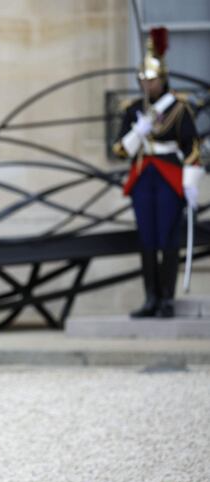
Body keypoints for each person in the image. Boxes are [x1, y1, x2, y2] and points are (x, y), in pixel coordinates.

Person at [112, 26, 202, 318]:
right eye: (143, 80)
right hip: (143, 176)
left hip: (168, 176)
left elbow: (192, 147)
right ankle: (151, 297)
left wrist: (190, 183)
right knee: (147, 239)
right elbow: (121, 149)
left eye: (150, 80)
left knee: (168, 239)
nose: (146, 85)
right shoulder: (134, 109)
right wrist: (138, 132)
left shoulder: (178, 108)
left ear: (162, 79)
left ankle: (166, 299)